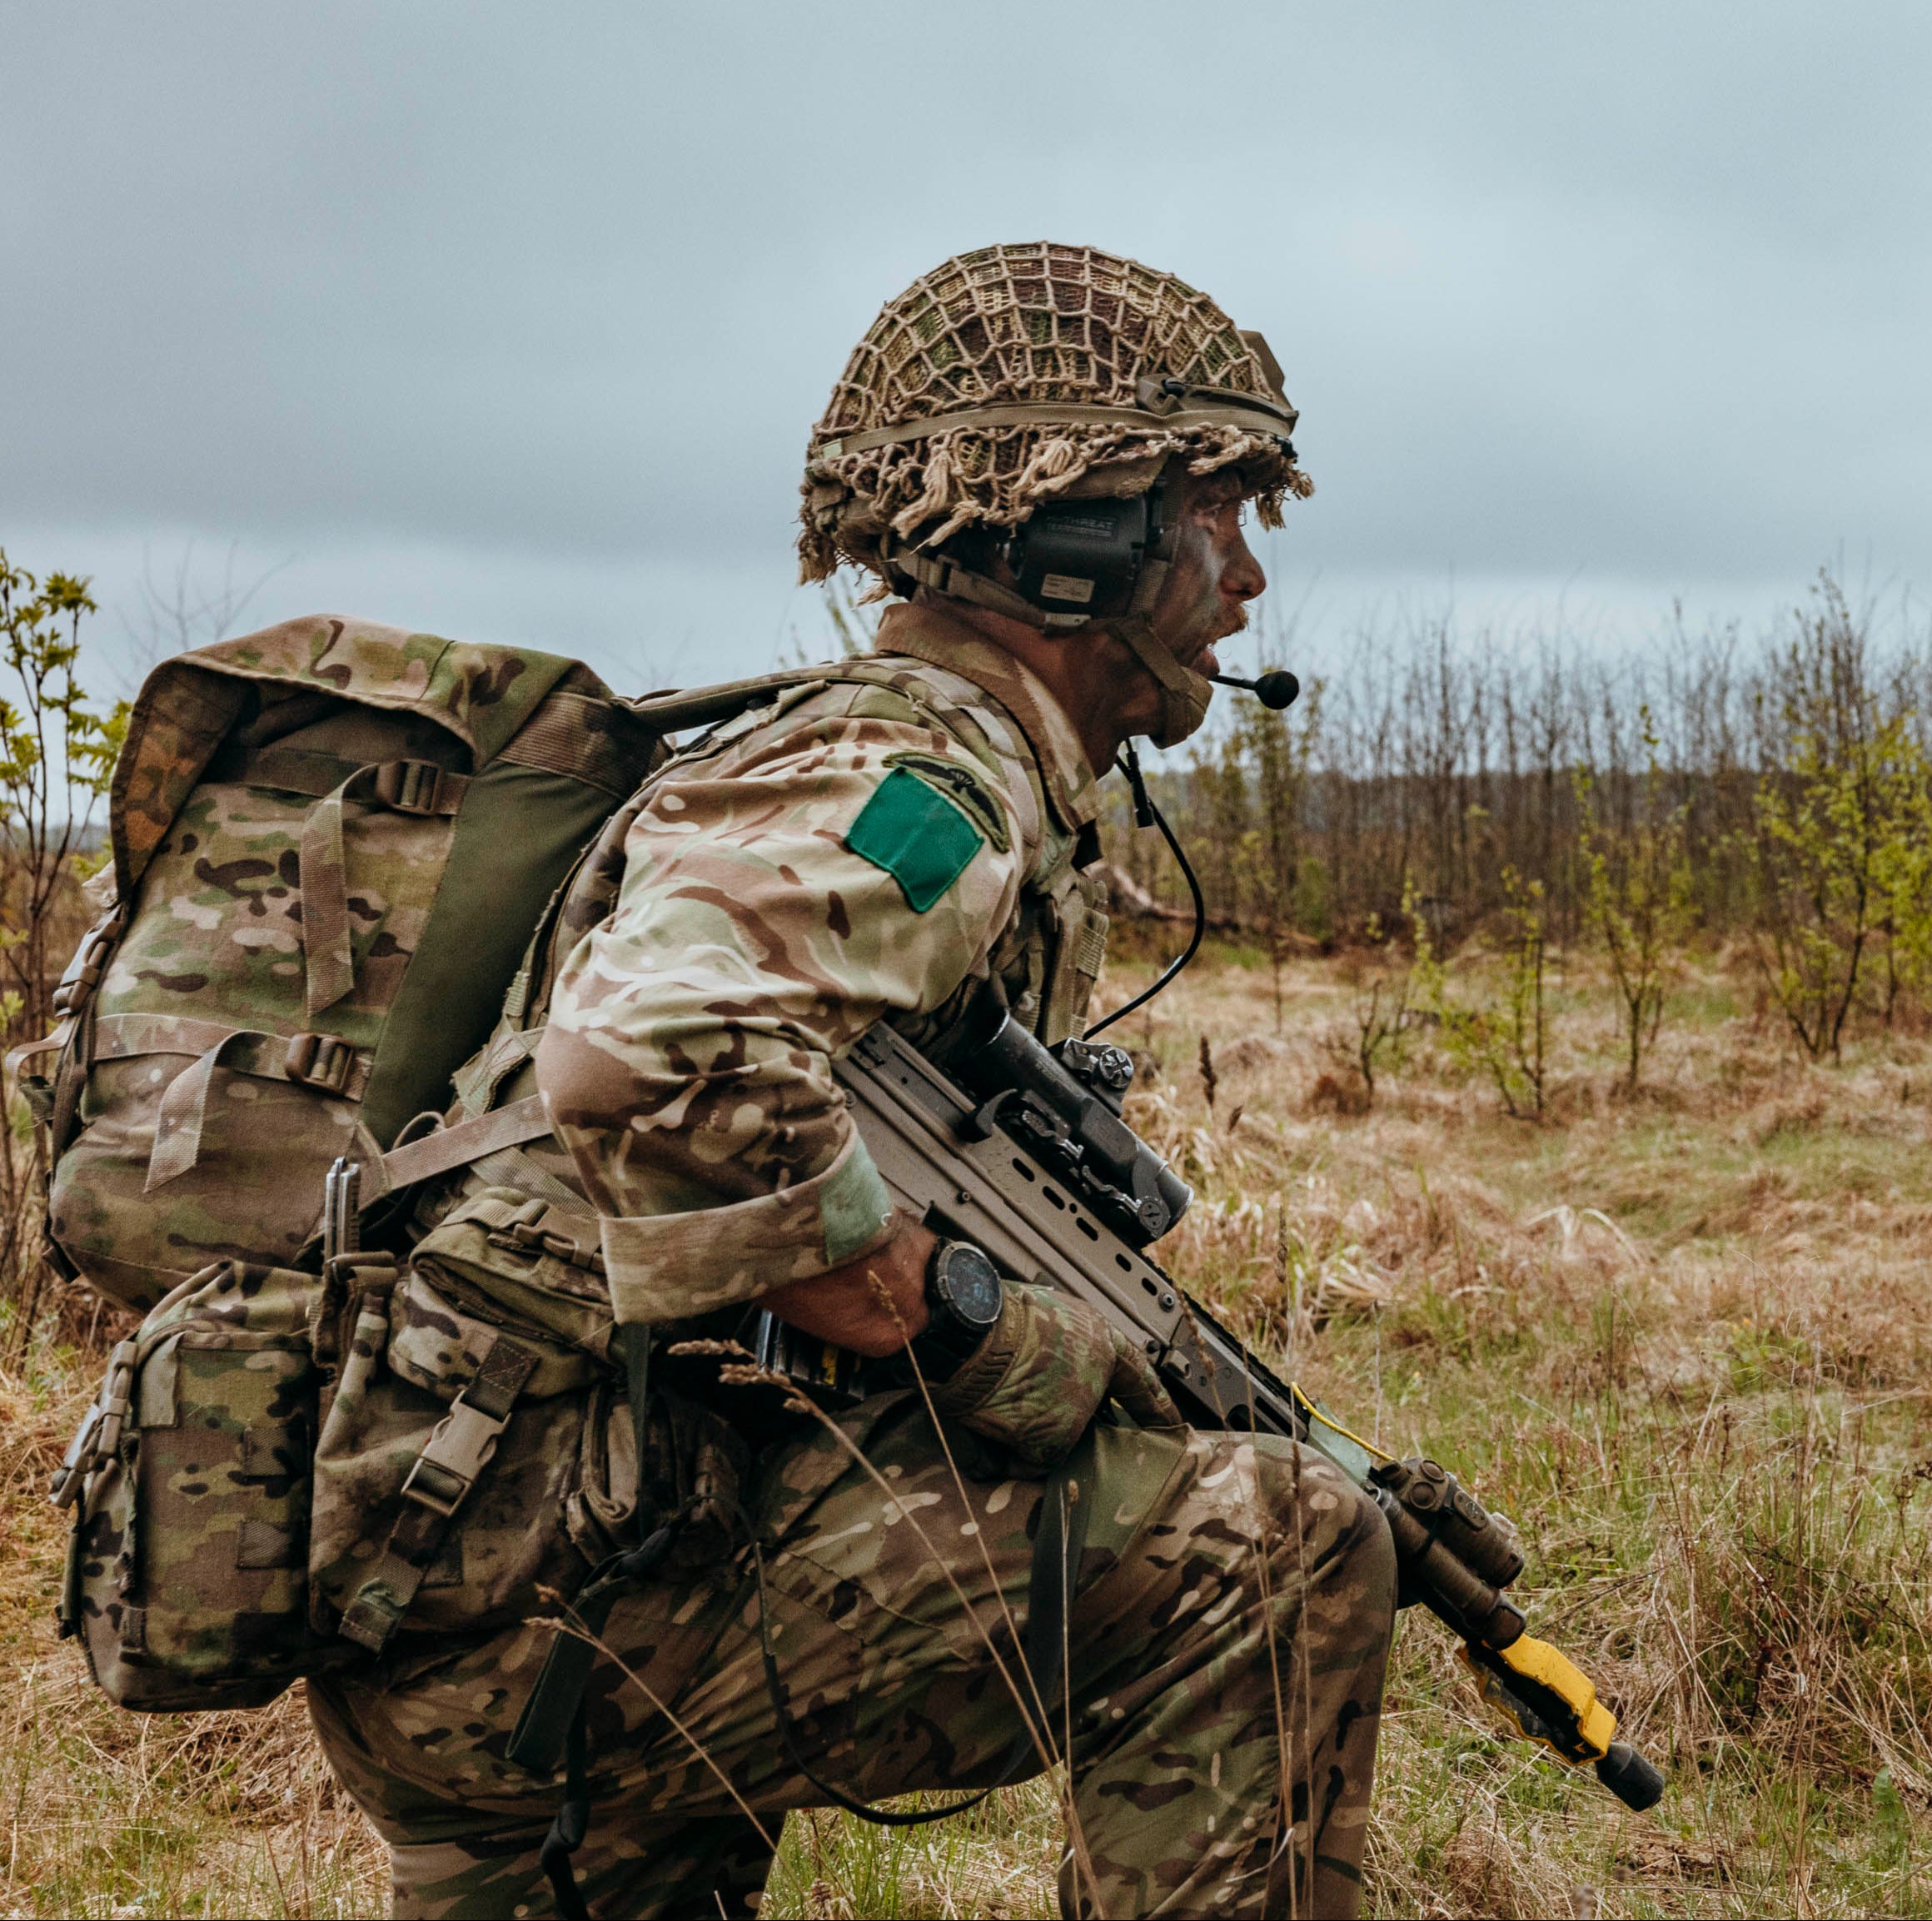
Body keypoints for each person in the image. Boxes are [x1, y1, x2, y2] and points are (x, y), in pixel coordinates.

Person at [305, 242, 1397, 1919]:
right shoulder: (921, 777)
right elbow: (653, 1047)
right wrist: (960, 1322)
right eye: (1219, 510)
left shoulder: (842, 745)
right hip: (566, 1591)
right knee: (1278, 1546)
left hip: (475, 1569)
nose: (1248, 576)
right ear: (1080, 537)